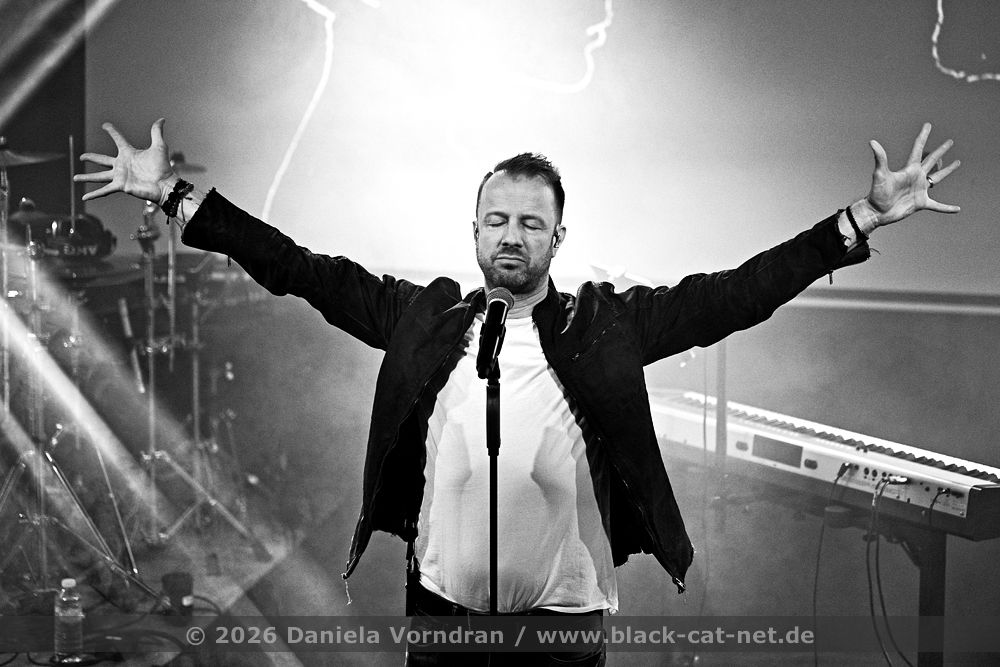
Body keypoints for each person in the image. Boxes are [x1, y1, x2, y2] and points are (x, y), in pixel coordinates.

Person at [76, 120, 959, 666]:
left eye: (531, 223)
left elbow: (734, 294)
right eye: (497, 219)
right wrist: (175, 197)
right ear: (473, 230)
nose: (512, 236)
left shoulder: (606, 325)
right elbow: (301, 269)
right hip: (442, 618)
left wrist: (856, 223)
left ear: (558, 238)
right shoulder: (425, 318)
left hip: (561, 628)